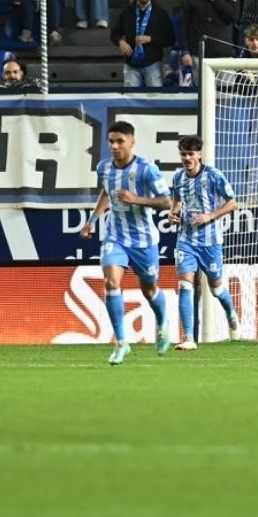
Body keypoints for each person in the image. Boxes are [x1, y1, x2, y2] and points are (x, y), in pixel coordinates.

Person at [79, 121, 176, 365]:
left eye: (120, 141)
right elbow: (106, 192)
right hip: (115, 237)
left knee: (149, 289)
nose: (114, 146)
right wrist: (92, 219)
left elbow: (167, 201)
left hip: (144, 241)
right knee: (111, 282)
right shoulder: (104, 168)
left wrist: (136, 199)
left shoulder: (146, 169)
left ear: (132, 142)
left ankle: (163, 322)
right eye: (111, 141)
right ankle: (121, 343)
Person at [165, 136, 241, 351]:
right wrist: (173, 214)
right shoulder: (178, 177)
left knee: (216, 289)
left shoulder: (214, 175)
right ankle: (188, 337)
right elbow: (177, 201)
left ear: (199, 154)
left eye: (191, 154)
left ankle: (232, 316)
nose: (187, 158)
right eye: (183, 154)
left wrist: (210, 216)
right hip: (186, 241)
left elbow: (233, 203)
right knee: (184, 285)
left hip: (210, 242)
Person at [113, 0, 175, 88]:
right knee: (131, 100)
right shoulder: (127, 11)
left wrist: (151, 39)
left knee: (155, 99)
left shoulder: (160, 13)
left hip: (153, 63)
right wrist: (121, 41)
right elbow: (114, 33)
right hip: (131, 63)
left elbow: (170, 38)